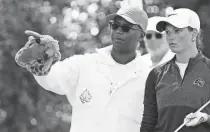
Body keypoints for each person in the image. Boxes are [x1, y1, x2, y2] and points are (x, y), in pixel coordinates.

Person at [15, 6, 150, 132]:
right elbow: (52, 79)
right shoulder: (85, 63)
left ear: (142, 36)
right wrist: (39, 60)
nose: (118, 31)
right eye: (114, 26)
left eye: (126, 28)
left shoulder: (150, 77)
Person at [140, 8, 210, 132]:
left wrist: (206, 118)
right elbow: (148, 124)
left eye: (177, 31)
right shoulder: (155, 74)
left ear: (194, 34)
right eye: (168, 32)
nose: (171, 37)